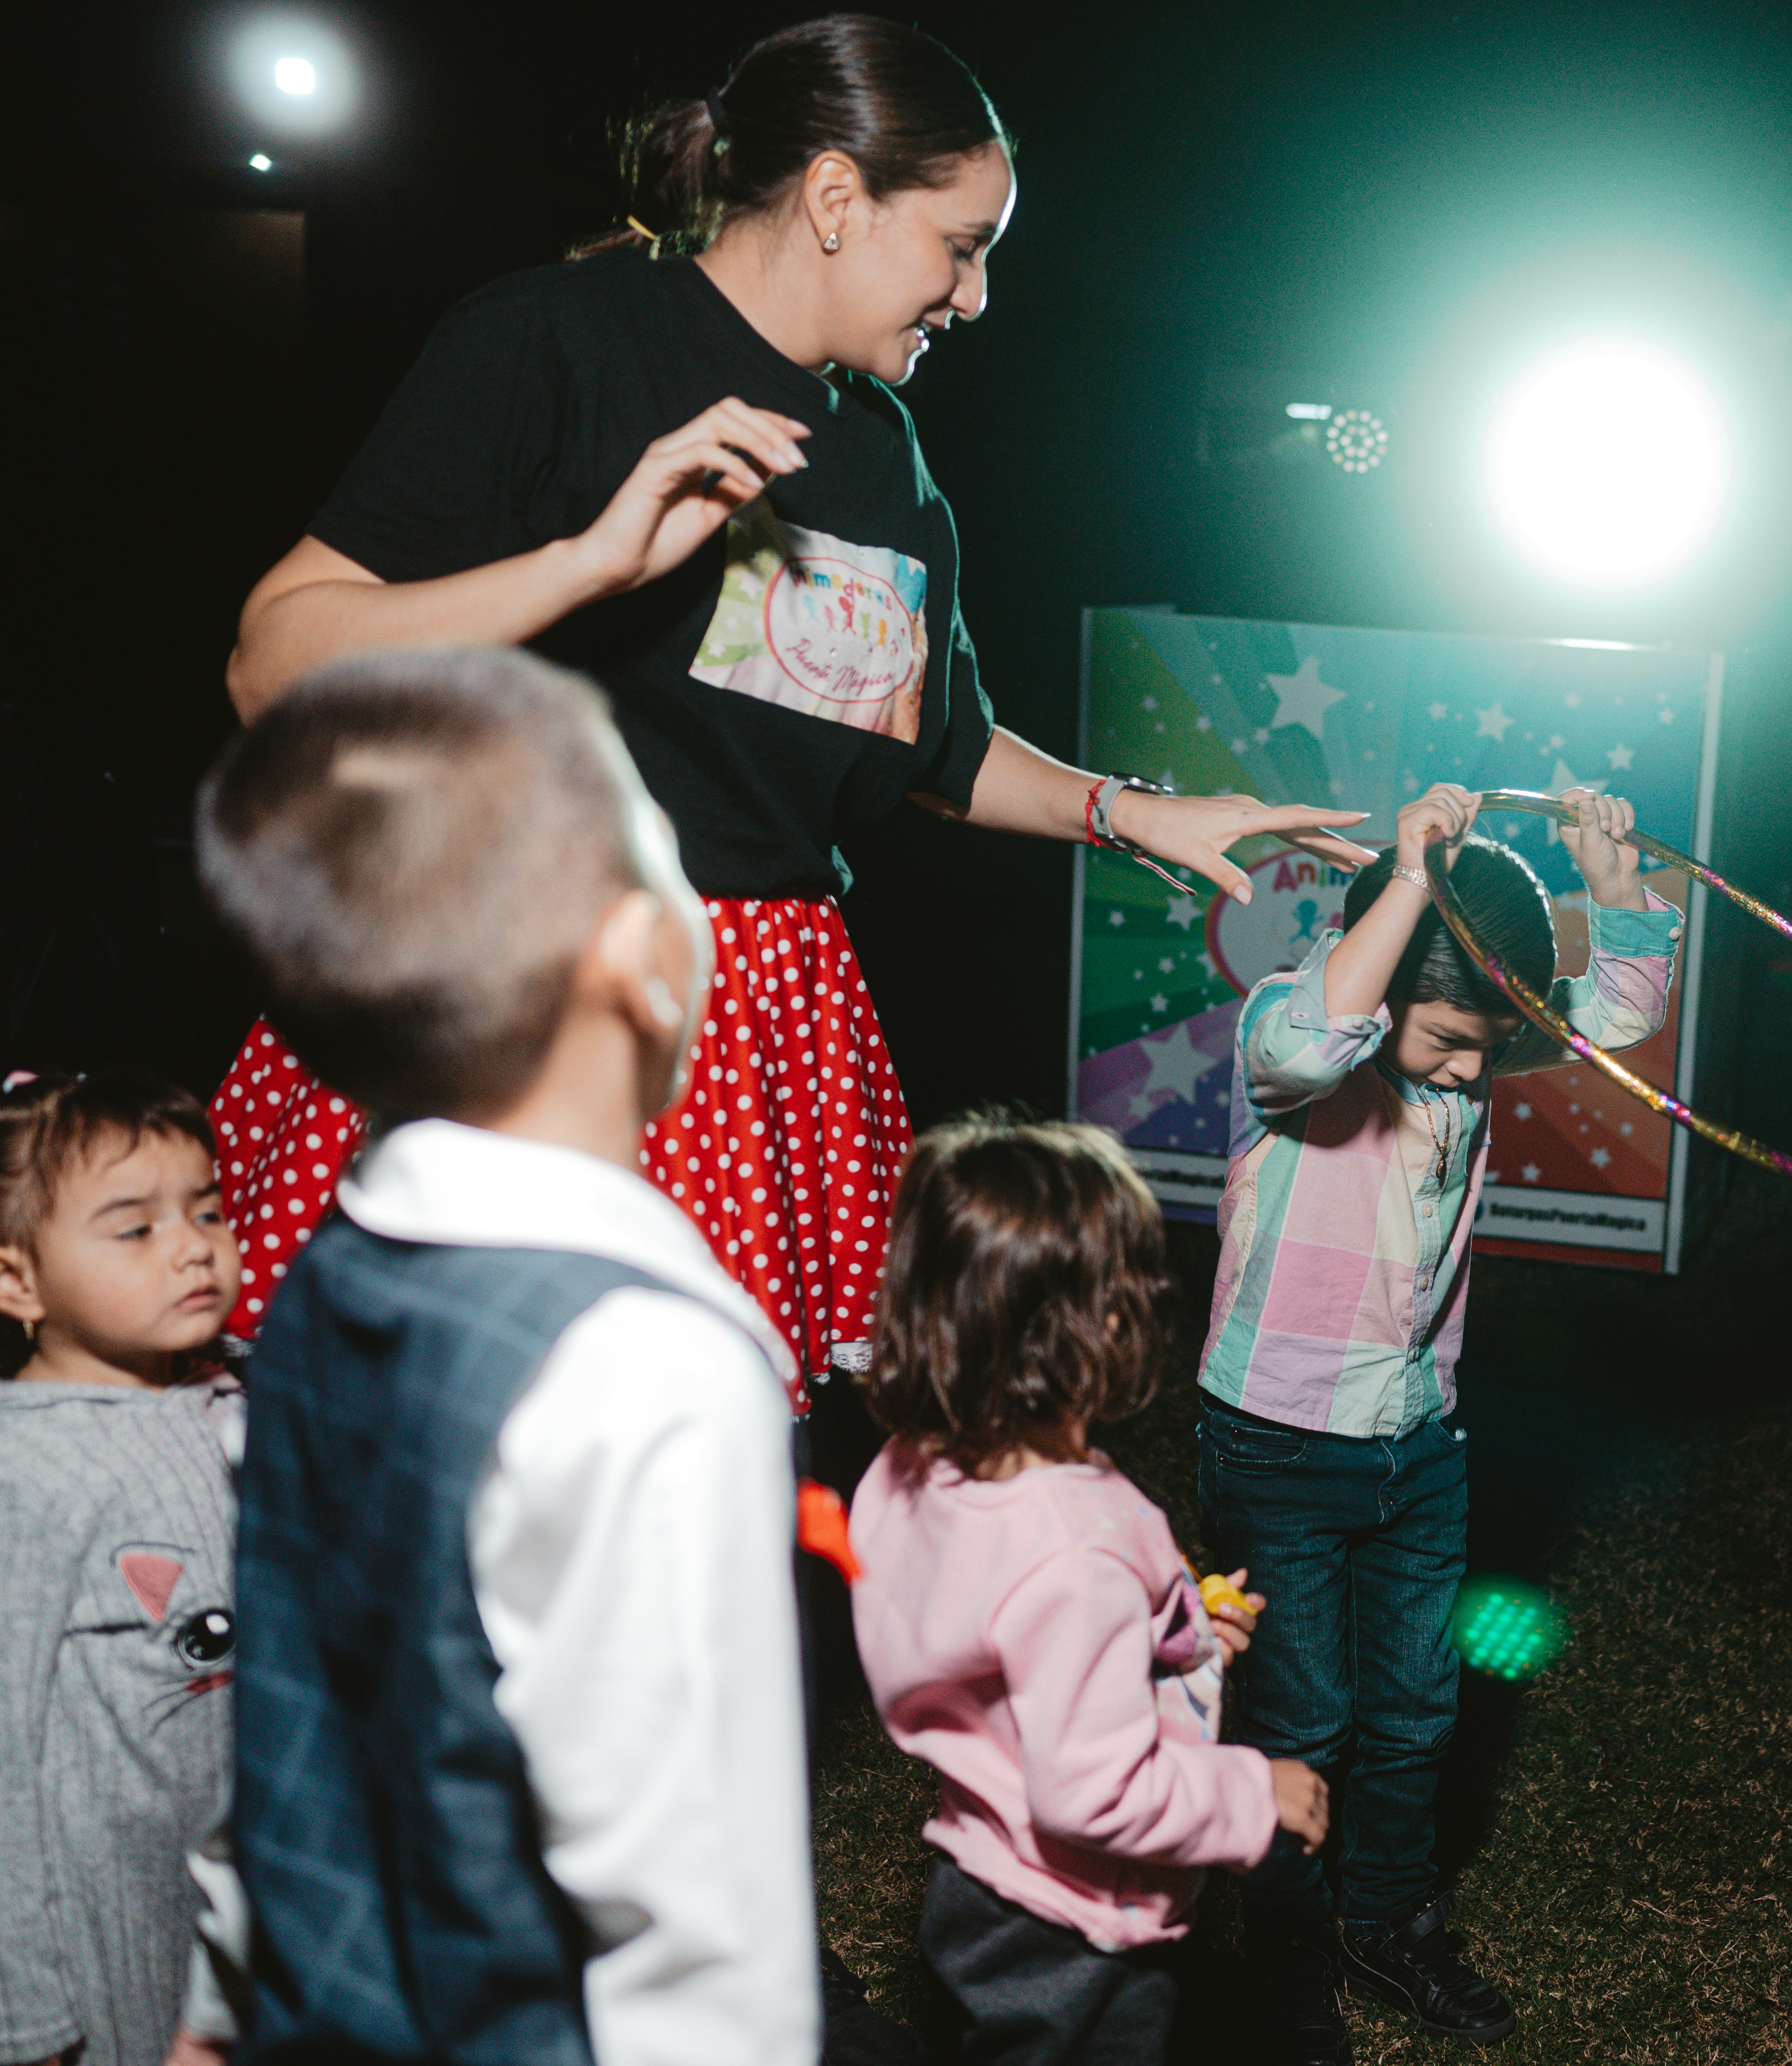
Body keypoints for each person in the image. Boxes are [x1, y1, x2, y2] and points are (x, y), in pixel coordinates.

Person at [208, 11, 1371, 1385]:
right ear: (835, 196)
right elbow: (273, 662)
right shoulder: (554, 340)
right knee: (464, 1437)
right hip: (523, 987)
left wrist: (1132, 814)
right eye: (962, 243)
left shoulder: (888, 458)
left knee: (708, 1471)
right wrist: (585, 568)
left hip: (771, 1021)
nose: (977, 298)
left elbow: (935, 747)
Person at [199, 646, 818, 2066]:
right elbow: (701, 1940)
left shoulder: (326, 1269)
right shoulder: (652, 1371)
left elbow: (295, 1721)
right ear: (639, 959)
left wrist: (219, 1994)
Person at [1198, 782, 1678, 2064]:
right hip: (1277, 1442)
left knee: (1412, 1710)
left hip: (1414, 1440)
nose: (1476, 1070)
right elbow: (1306, 1043)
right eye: (1454, 1040)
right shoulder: (1298, 1029)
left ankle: (1385, 1917)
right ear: (1389, 980)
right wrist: (1411, 877)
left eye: (1489, 1043)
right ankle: (1281, 1952)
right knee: (1299, 1721)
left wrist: (1610, 885)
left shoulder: (1463, 1032)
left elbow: (1620, 1018)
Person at [847, 1117, 1329, 2066]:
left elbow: (1003, 1636)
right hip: (1076, 1927)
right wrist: (1252, 1792)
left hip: (978, 1879)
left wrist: (1175, 1635)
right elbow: (1094, 1793)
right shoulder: (1077, 1556)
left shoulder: (912, 1474)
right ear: (1100, 1330)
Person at [0, 1071, 245, 2066]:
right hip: (108, 1955)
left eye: (209, 1211)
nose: (192, 1246)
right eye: (135, 1229)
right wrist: (25, 2020)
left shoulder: (225, 1402)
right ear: (17, 1283)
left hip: (227, 1935)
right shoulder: (24, 1470)